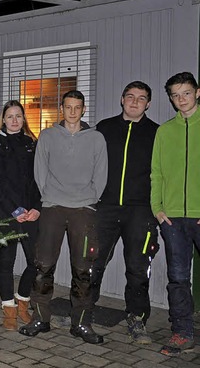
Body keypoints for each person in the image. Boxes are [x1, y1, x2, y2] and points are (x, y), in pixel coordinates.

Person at [19, 90, 107, 344]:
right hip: (53, 207)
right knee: (43, 265)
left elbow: (101, 175)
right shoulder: (47, 136)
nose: (72, 111)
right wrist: (50, 197)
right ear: (61, 108)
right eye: (68, 106)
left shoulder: (96, 139)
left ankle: (81, 323)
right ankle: (40, 319)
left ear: (83, 109)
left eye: (77, 107)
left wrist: (88, 199)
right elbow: (40, 173)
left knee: (83, 269)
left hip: (84, 210)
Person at [91, 81, 159, 344]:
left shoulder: (157, 133)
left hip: (141, 212)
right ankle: (83, 310)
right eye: (130, 97)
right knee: (93, 263)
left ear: (148, 104)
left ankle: (137, 319)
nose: (134, 102)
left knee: (138, 268)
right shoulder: (104, 129)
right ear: (122, 99)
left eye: (141, 99)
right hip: (105, 208)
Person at [152, 71, 200, 357]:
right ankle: (182, 333)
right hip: (172, 219)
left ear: (197, 92)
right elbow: (156, 174)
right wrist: (157, 209)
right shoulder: (165, 131)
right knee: (178, 277)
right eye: (175, 95)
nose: (181, 99)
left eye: (186, 93)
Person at [0, 100, 40, 331]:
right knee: (6, 263)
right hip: (6, 214)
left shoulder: (32, 144)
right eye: (10, 116)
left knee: (36, 262)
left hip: (31, 214)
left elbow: (39, 180)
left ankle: (22, 303)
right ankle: (8, 310)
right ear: (3, 120)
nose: (15, 120)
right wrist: (14, 211)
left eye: (19, 116)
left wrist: (37, 207)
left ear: (23, 119)